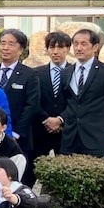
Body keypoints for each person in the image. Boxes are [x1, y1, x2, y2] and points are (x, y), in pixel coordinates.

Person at [59, 29, 104, 158]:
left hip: (97, 137)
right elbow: (66, 102)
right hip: (70, 137)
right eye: (76, 44)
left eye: (84, 44)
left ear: (95, 47)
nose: (78, 48)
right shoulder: (66, 72)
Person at [0, 29, 40, 187]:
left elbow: (32, 106)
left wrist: (14, 133)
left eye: (11, 44)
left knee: (16, 181)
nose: (5, 47)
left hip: (18, 139)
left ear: (21, 49)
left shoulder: (30, 74)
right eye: (2, 43)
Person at [32, 31, 72, 160]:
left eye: (60, 47)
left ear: (68, 49)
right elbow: (33, 100)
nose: (55, 51)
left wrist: (60, 119)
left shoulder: (75, 72)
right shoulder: (36, 73)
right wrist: (46, 120)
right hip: (40, 130)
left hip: (66, 131)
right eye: (51, 47)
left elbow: (77, 101)